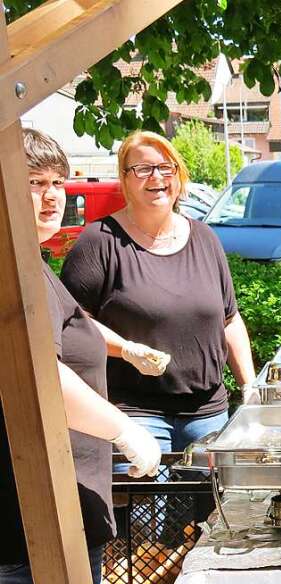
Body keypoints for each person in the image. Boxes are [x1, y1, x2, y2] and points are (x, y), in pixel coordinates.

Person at [0, 129, 161, 584]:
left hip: (66, 504)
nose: (52, 196)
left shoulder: (32, 259)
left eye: (57, 181)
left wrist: (125, 347)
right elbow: (36, 372)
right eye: (34, 182)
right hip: (39, 519)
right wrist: (124, 429)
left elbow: (72, 320)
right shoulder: (11, 266)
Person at [62, 131, 258, 454]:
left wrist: (248, 386)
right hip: (135, 413)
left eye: (166, 168)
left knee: (213, 506)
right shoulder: (99, 242)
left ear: (178, 177)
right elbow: (72, 322)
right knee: (147, 505)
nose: (156, 177)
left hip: (208, 413)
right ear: (125, 180)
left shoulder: (205, 239)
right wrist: (126, 349)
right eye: (142, 169)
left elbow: (230, 320)